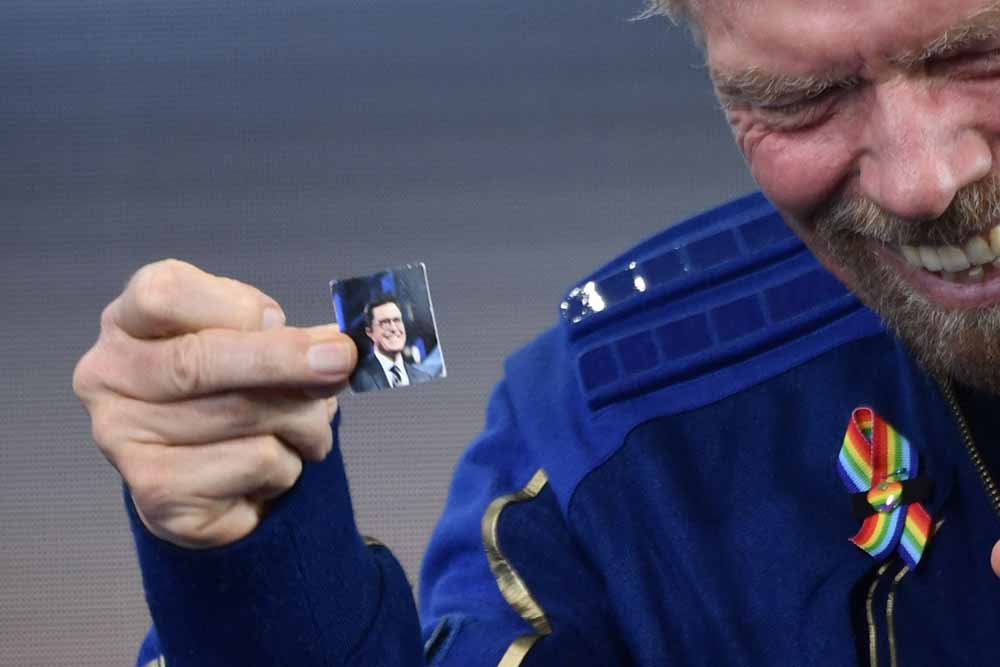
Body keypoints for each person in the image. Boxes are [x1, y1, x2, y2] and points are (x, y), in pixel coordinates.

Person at [70, 0, 1000, 665]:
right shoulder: (615, 452)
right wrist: (251, 582)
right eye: (803, 100)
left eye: (979, 56)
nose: (923, 182)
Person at [350, 296, 433, 392]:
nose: (393, 328)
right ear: (370, 332)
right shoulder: (357, 382)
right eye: (384, 323)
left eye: (397, 320)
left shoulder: (424, 378)